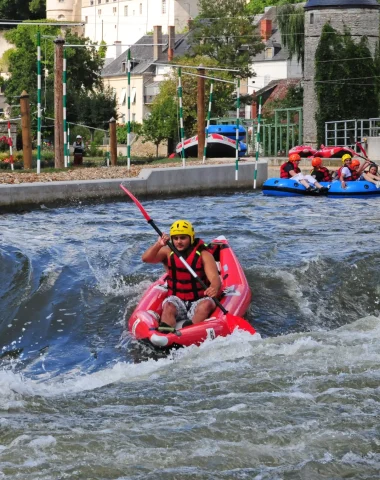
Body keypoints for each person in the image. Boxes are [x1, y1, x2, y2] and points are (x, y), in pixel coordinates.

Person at [141, 219, 221, 329]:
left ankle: (190, 330)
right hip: (177, 299)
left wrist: (214, 288)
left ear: (191, 238)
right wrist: (158, 245)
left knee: (206, 305)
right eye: (175, 238)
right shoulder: (167, 252)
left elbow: (214, 278)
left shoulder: (204, 254)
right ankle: (167, 332)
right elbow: (146, 259)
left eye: (183, 238)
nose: (179, 241)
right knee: (168, 306)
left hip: (199, 299)